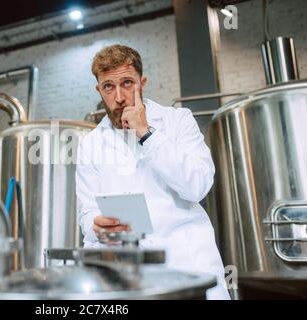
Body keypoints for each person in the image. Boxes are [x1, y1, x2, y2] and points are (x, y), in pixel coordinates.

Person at [75, 44, 230, 300]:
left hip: (186, 265)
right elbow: (87, 213)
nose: (120, 96)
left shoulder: (177, 120)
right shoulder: (90, 143)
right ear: (99, 89)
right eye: (108, 87)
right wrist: (95, 226)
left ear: (142, 83)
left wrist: (146, 133)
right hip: (126, 277)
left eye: (127, 83)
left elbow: (198, 185)